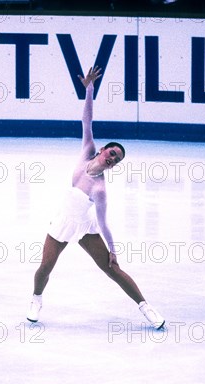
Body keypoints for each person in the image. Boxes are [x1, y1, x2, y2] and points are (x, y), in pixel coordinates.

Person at [26, 66, 165, 330]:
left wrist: (113, 251)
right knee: (45, 267)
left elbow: (103, 223)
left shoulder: (100, 189)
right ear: (103, 150)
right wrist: (89, 89)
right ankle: (36, 298)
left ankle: (146, 307)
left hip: (86, 227)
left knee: (111, 270)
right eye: (112, 152)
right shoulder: (86, 152)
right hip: (63, 222)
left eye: (117, 159)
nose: (112, 158)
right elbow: (86, 121)